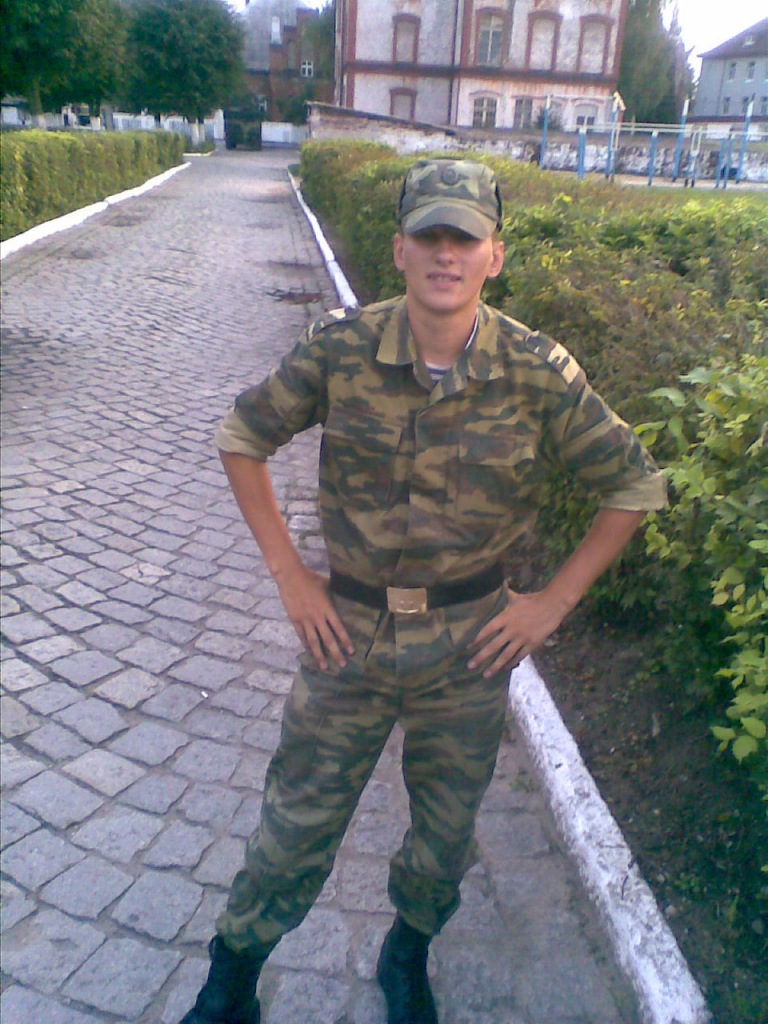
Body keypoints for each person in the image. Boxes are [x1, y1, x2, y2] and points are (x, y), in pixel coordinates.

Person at [180, 158, 667, 1024]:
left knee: (444, 835)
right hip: (349, 637)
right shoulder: (342, 350)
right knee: (296, 820)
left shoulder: (535, 372)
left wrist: (551, 604)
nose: (447, 254)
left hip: (469, 649)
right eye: (430, 236)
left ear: (494, 256)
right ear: (400, 249)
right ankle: (234, 977)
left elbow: (632, 484)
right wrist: (291, 576)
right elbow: (242, 435)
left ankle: (406, 955)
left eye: (465, 239)